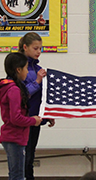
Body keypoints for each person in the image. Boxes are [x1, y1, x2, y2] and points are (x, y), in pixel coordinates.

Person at [18, 32, 55, 180]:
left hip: (35, 119)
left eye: (40, 48)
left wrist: (48, 112)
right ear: (25, 47)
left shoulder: (37, 68)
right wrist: (38, 81)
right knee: (23, 158)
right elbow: (21, 94)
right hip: (23, 120)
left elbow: (41, 96)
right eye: (35, 48)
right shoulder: (19, 67)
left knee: (30, 156)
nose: (39, 51)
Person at [0, 52, 42, 180]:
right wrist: (32, 121)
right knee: (17, 176)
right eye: (25, 69)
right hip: (14, 138)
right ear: (18, 70)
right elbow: (16, 118)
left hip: (15, 137)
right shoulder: (13, 90)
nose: (27, 73)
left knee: (16, 174)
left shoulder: (15, 87)